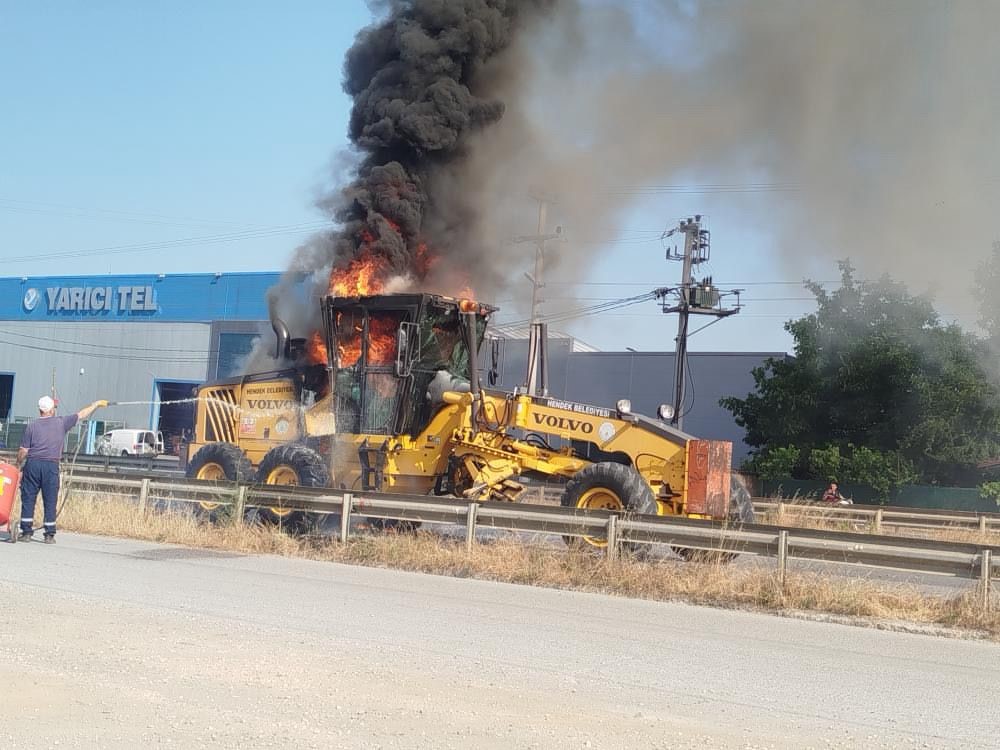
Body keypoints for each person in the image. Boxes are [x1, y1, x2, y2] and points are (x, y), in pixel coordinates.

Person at [15, 396, 108, 543]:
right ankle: (49, 534)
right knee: (50, 499)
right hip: (51, 465)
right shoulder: (61, 423)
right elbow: (81, 414)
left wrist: (18, 464)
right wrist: (95, 405)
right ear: (51, 410)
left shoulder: (31, 426)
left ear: (40, 410)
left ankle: (26, 532)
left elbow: (23, 450)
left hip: (33, 464)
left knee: (28, 498)